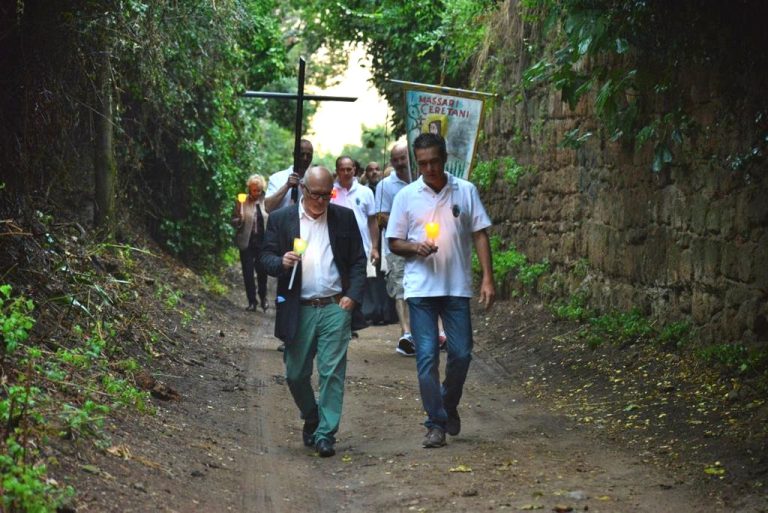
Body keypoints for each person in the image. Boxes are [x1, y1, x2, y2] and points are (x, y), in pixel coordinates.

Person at [387, 133, 495, 449]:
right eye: (422, 164)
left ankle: (448, 404)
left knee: (461, 353)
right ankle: (435, 423)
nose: (430, 168)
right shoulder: (406, 196)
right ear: (416, 163)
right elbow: (394, 241)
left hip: (456, 286)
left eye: (434, 161)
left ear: (445, 158)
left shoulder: (466, 191)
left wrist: (488, 277)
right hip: (421, 289)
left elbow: (480, 234)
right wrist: (414, 246)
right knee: (427, 358)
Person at [260, 166, 367, 458]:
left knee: (332, 372)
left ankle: (325, 434)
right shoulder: (282, 219)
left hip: (334, 306)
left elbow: (359, 261)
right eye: (316, 195)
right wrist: (280, 261)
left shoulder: (344, 218)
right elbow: (264, 257)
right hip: (299, 307)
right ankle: (312, 414)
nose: (321, 201)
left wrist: (351, 298)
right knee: (295, 374)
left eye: (327, 195)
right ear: (304, 190)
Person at [331, 156, 379, 334]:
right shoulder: (331, 191)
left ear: (355, 171)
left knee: (357, 283)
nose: (345, 173)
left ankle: (351, 321)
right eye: (342, 169)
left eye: (349, 169)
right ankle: (341, 323)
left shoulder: (365, 192)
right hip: (337, 247)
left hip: (361, 247)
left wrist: (375, 247)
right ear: (337, 170)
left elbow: (372, 221)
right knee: (339, 284)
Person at [375, 141, 414, 356]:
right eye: (396, 159)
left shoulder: (421, 179)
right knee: (400, 288)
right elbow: (381, 217)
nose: (400, 163)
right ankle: (405, 333)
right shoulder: (384, 186)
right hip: (396, 245)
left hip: (422, 244)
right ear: (391, 161)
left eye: (403, 158)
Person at [231, 174, 269, 312]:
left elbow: (271, 219)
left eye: (258, 190)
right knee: (248, 272)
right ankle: (252, 301)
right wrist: (239, 219)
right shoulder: (242, 201)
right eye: (253, 190)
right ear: (249, 189)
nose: (256, 193)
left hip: (262, 243)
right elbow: (233, 220)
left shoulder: (267, 201)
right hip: (246, 242)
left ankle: (263, 297)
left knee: (262, 272)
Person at [264, 139, 314, 213]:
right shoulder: (277, 178)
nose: (305, 158)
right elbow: (268, 207)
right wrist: (287, 186)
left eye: (309, 155)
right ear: (294, 155)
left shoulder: (314, 180)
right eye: (302, 154)